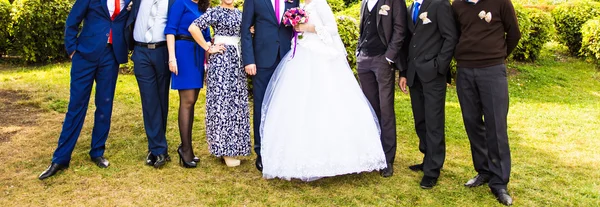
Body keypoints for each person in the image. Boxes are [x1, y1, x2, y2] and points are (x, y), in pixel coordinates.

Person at [259, 0, 387, 181]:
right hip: (301, 55)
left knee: (325, 101)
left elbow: (332, 28)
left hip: (319, 57)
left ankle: (338, 157)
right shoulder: (301, 6)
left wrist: (309, 27)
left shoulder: (320, 3)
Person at [39, 0, 131, 180]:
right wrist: (72, 50)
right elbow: (72, 21)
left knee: (105, 106)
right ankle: (61, 158)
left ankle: (97, 151)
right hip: (85, 55)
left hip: (111, 56)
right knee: (76, 106)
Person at [452, 0, 521, 205]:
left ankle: (499, 182)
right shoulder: (457, 5)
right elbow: (456, 35)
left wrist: (497, 56)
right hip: (465, 71)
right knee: (472, 122)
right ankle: (483, 171)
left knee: (496, 125)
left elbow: (514, 34)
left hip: (492, 71)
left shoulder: (501, 2)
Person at [398, 0, 458, 189]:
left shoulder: (440, 4)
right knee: (421, 121)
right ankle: (427, 158)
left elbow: (451, 37)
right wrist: (404, 73)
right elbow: (408, 42)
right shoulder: (410, 8)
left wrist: (439, 66)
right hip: (414, 74)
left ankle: (433, 170)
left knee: (434, 122)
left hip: (433, 74)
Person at [189, 0, 251, 167]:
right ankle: (223, 149)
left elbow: (247, 31)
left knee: (236, 104)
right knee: (221, 104)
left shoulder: (240, 14)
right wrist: (208, 47)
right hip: (221, 63)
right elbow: (193, 28)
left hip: (237, 63)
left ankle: (235, 146)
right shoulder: (214, 12)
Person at [241, 0, 300, 172]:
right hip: (262, 60)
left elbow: (295, 27)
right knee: (261, 105)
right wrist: (249, 60)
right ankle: (262, 152)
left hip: (286, 59)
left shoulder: (293, 1)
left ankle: (281, 148)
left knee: (283, 106)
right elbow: (245, 29)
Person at [356, 0, 407, 177]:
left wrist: (389, 57)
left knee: (386, 110)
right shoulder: (364, 2)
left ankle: (387, 158)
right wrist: (358, 52)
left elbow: (400, 29)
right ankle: (372, 154)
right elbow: (363, 28)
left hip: (382, 61)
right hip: (364, 60)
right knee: (370, 110)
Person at [126, 0, 175, 168]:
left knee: (161, 100)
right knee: (149, 101)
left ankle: (155, 146)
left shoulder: (172, 1)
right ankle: (159, 149)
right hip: (141, 53)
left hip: (162, 51)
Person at [164, 0, 211, 168]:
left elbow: (206, 35)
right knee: (187, 100)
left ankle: (186, 147)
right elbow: (170, 31)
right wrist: (172, 57)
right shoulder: (180, 3)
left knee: (192, 101)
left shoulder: (203, 7)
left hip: (198, 53)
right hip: (182, 52)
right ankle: (185, 149)